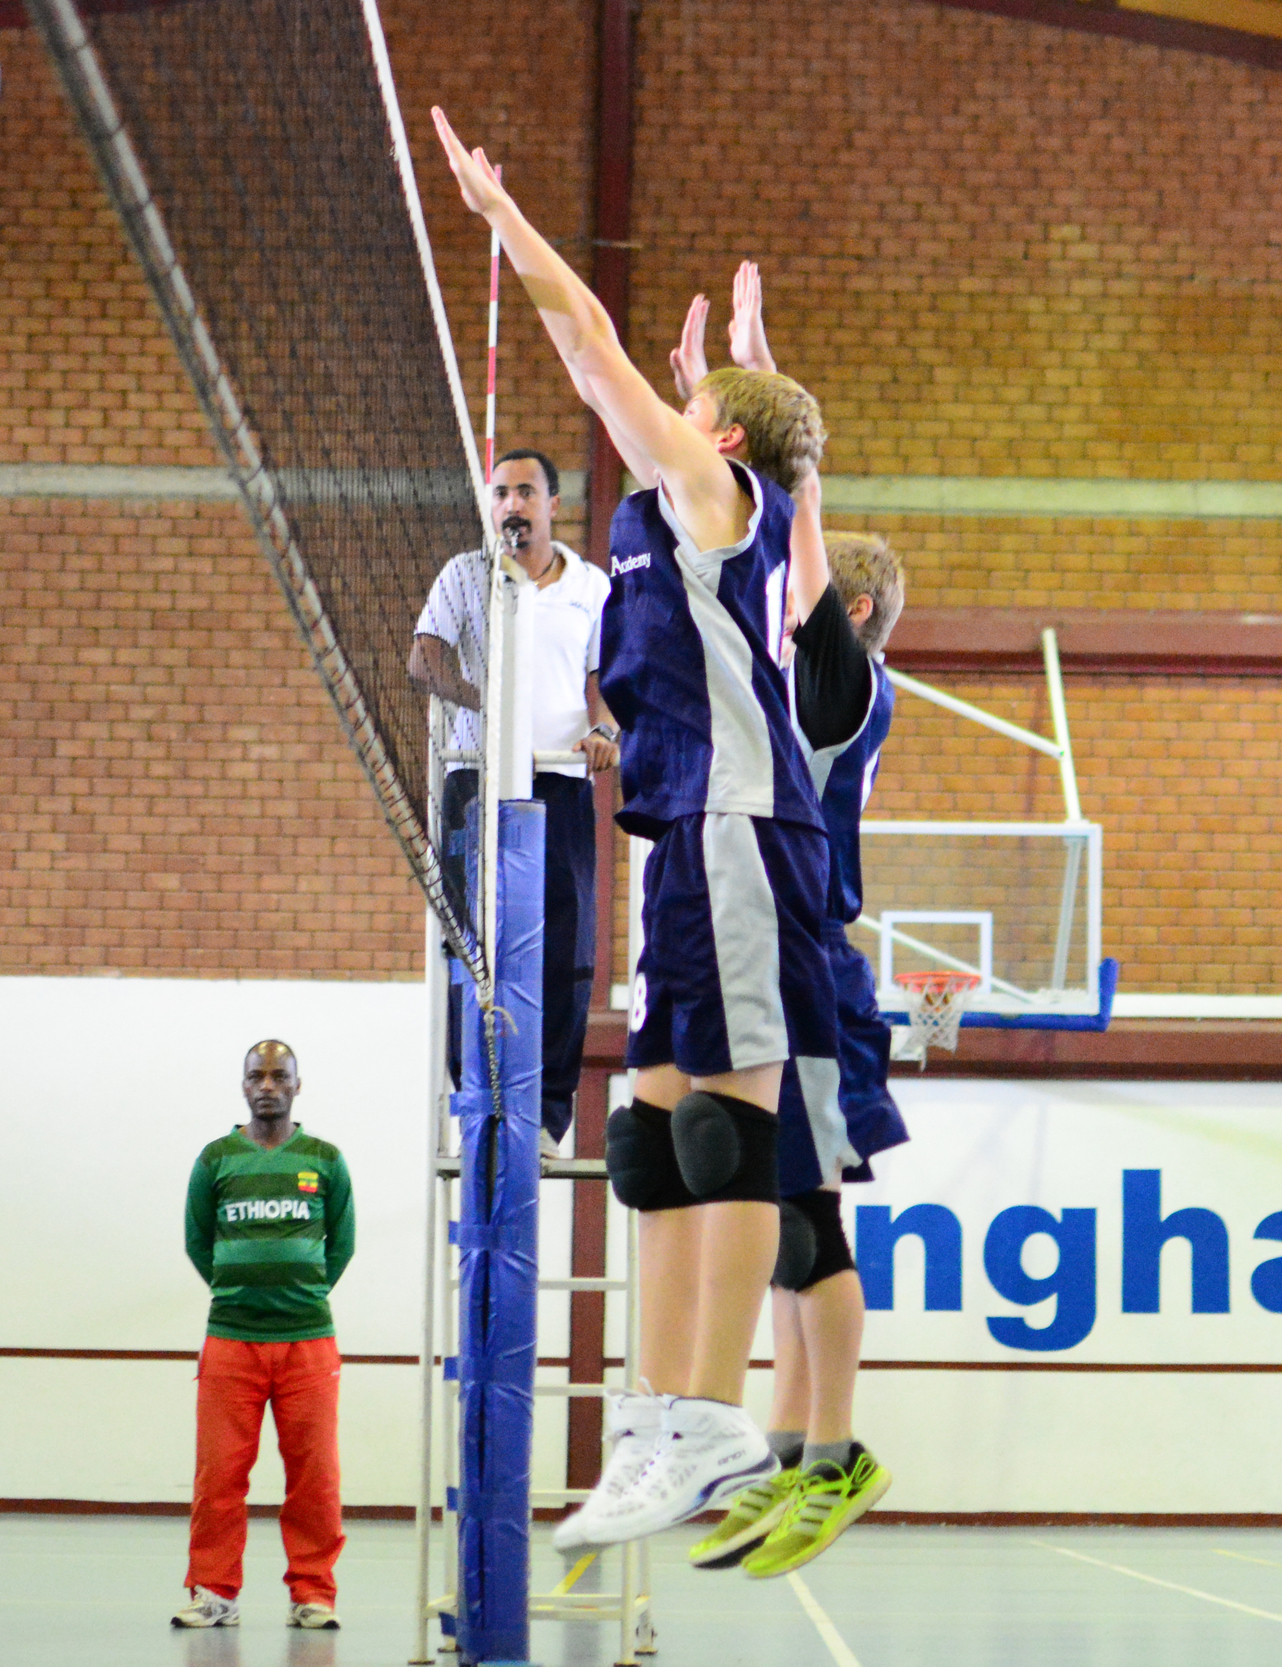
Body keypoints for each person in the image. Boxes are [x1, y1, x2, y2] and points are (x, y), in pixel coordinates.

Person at [432, 110, 838, 1551]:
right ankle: (664, 1412)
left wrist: (504, 219)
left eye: (696, 408)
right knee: (650, 1131)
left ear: (716, 438)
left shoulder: (718, 495)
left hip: (736, 828)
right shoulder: (709, 512)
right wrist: (733, 368)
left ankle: (719, 1406)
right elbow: (731, 426)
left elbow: (590, 344)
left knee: (728, 1115)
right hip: (685, 838)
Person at [677, 266, 907, 1577]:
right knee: (779, 1209)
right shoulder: (794, 679)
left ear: (853, 616)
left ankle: (837, 1450)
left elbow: (788, 533)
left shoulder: (844, 682)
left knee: (810, 1220)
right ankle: (785, 1442)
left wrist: (786, 437)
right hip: (779, 949)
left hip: (815, 958)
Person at [408, 446, 618, 1153]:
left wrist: (604, 727)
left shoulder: (590, 585)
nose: (511, 505)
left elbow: (607, 679)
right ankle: (475, 1097)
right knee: (470, 941)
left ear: (553, 505)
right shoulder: (466, 575)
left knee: (569, 944)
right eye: (500, 494)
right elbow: (423, 657)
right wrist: (489, 704)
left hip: (560, 780)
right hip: (476, 775)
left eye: (525, 492)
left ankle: (551, 1110)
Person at [174, 1041, 355, 1632]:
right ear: (244, 1086)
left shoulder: (325, 1159)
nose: (268, 1085)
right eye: (258, 1075)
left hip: (308, 1343)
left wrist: (297, 1292)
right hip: (231, 1342)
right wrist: (242, 1291)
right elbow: (199, 1243)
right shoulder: (216, 1159)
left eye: (281, 1076)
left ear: (298, 1086)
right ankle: (214, 1591)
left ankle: (313, 1592)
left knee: (315, 1478)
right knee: (218, 1477)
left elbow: (342, 1244)